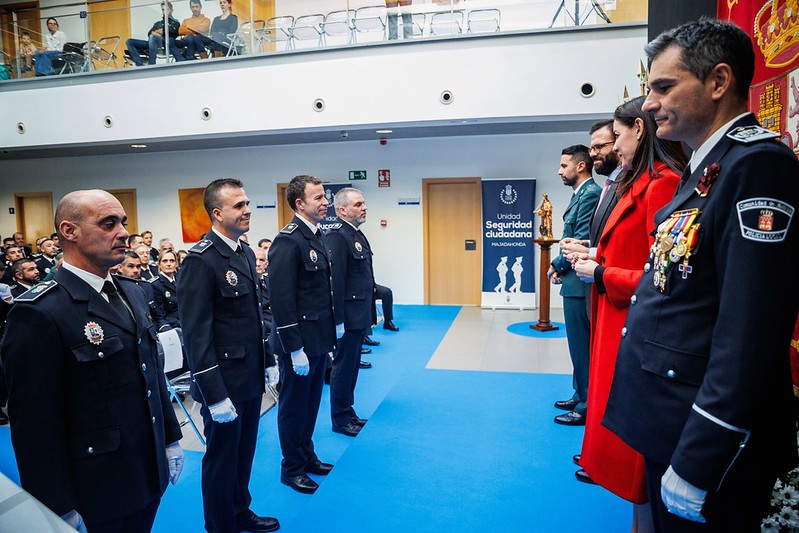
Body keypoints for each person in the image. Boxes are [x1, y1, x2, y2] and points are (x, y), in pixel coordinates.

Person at [602, 19, 799, 531]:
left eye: (664, 87)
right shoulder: (707, 169)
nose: (649, 104)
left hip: (708, 440)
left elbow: (750, 331)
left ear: (718, 82)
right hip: (672, 419)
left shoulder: (756, 167)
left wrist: (701, 456)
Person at [0, 189, 183, 532]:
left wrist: (170, 438)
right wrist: (55, 504)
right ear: (69, 231)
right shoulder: (40, 311)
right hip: (95, 485)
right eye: (108, 223)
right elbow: (33, 422)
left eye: (123, 222)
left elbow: (151, 373)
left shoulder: (132, 292)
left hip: (145, 469)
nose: (123, 232)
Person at [572, 96, 685, 530]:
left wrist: (601, 271)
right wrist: (595, 254)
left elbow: (660, 274)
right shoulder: (638, 181)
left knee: (637, 457)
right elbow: (632, 249)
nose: (614, 146)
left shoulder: (661, 184)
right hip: (614, 312)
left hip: (631, 319)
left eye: (617, 136)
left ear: (639, 129)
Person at [178, 178, 280, 533]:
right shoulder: (201, 260)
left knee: (244, 452)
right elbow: (196, 334)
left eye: (247, 203)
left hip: (249, 374)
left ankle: (239, 510)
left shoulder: (244, 253)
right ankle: (220, 525)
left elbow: (251, 317)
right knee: (221, 460)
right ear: (218, 214)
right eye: (239, 205)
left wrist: (267, 360)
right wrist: (214, 394)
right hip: (223, 381)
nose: (248, 210)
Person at [267, 174, 336, 495]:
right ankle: (291, 467)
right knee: (294, 406)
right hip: (299, 344)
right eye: (318, 197)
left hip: (318, 338)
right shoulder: (288, 241)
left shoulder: (316, 235)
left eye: (325, 197)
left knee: (311, 404)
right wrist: (294, 348)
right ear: (300, 203)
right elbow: (281, 300)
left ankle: (307, 456)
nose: (325, 202)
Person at [548, 144, 600, 427]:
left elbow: (579, 238)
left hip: (581, 283)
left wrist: (557, 265)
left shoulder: (590, 194)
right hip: (574, 280)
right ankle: (580, 393)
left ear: (581, 166)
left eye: (564, 166)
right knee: (577, 347)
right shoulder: (581, 194)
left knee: (582, 348)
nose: (559, 171)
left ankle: (586, 405)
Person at [326, 187, 376, 437]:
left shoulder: (356, 234)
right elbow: (336, 282)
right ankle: (340, 418)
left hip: (359, 314)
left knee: (353, 367)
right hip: (347, 316)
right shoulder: (338, 236)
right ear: (342, 210)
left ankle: (348, 411)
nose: (364, 207)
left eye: (363, 203)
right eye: (358, 204)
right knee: (343, 368)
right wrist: (338, 320)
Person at [126, 2, 187, 66]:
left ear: (171, 10)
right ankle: (139, 64)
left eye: (167, 9)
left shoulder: (175, 22)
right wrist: (159, 33)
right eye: (163, 9)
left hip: (165, 42)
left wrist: (158, 33)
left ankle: (151, 63)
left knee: (153, 37)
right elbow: (150, 33)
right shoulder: (158, 23)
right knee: (129, 41)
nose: (165, 11)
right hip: (152, 42)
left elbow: (172, 31)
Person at [152, 249, 180, 332]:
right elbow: (160, 315)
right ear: (159, 264)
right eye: (165, 261)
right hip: (173, 325)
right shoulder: (156, 285)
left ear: (176, 264)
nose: (169, 264)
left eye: (172, 261)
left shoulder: (181, 280)